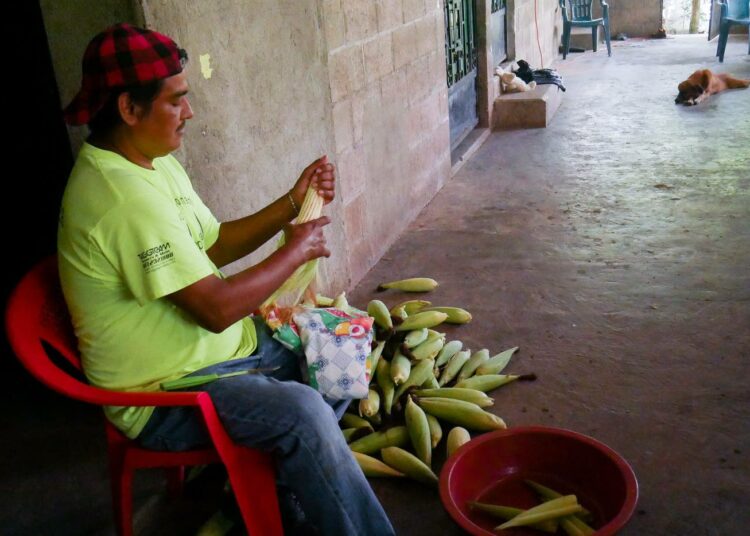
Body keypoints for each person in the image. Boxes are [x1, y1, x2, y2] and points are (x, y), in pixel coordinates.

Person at [58, 22, 394, 536]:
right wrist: (298, 248)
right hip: (167, 394)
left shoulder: (150, 163)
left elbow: (210, 244)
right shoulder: (117, 199)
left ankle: (284, 501)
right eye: (177, 101)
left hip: (221, 357)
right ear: (128, 108)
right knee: (302, 412)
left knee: (339, 350)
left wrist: (290, 203)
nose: (189, 113)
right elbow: (215, 310)